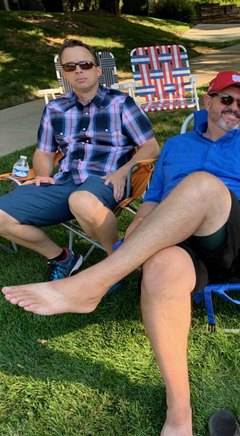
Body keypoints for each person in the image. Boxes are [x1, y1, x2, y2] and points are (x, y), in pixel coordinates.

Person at [2, 70, 240, 436]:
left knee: (201, 184)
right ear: (206, 102)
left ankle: (91, 283)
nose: (235, 109)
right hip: (179, 237)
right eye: (226, 99)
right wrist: (138, 234)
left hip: (238, 240)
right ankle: (179, 410)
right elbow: (153, 203)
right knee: (161, 265)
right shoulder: (176, 145)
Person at [0, 39, 160, 281]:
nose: (78, 70)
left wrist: (123, 171)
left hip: (106, 179)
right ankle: (61, 257)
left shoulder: (120, 103)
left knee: (82, 201)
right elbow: (44, 151)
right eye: (70, 66)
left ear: (97, 70)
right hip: (65, 181)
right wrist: (43, 174)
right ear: (65, 74)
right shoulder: (55, 109)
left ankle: (116, 261)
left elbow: (151, 146)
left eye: (84, 64)